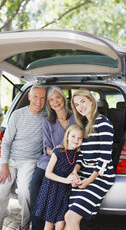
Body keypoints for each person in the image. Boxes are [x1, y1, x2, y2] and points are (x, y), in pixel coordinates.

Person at [64, 90, 115, 230]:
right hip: (84, 174)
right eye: (76, 104)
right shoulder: (85, 124)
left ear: (91, 101)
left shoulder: (103, 123)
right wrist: (75, 171)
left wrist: (88, 180)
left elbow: (105, 159)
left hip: (100, 177)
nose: (80, 106)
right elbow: (81, 156)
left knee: (71, 216)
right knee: (64, 215)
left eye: (83, 101)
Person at [0, 84, 46, 230]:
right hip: (10, 159)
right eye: (35, 97)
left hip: (30, 161)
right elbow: (6, 142)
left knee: (25, 193)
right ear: (29, 97)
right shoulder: (17, 115)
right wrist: (4, 165)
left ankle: (24, 226)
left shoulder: (46, 117)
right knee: (1, 192)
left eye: (43, 98)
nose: (39, 101)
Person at [30, 86, 75, 230]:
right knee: (35, 186)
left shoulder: (76, 117)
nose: (55, 102)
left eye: (58, 97)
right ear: (49, 104)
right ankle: (37, 226)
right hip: (49, 161)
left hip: (69, 162)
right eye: (51, 100)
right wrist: (58, 153)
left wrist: (64, 154)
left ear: (63, 98)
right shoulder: (47, 121)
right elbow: (47, 148)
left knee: (59, 192)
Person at [34, 124, 84, 230]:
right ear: (67, 136)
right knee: (49, 224)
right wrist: (65, 180)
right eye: (73, 136)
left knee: (61, 224)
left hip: (65, 192)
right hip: (52, 190)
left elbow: (77, 168)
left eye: (80, 138)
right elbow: (48, 173)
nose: (76, 140)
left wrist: (74, 178)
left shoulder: (79, 155)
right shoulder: (58, 152)